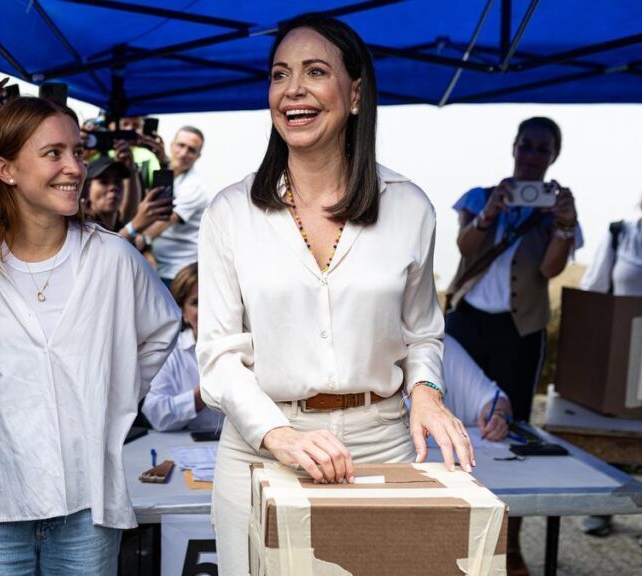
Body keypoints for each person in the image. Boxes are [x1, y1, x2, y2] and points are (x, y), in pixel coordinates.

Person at [196, 14, 471, 575]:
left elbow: (422, 333)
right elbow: (218, 356)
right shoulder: (230, 211)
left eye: (315, 72)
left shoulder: (410, 206)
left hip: (382, 446)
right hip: (259, 450)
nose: (292, 90)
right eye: (279, 74)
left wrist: (426, 391)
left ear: (354, 94)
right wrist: (276, 434)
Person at [0, 96, 180, 575]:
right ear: (6, 168)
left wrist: (111, 392)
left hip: (87, 502)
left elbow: (162, 327)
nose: (75, 168)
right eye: (53, 153)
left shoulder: (112, 258)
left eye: (77, 152)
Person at [444, 117, 581, 575]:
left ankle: (511, 543)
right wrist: (491, 213)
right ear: (514, 147)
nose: (532, 155)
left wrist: (563, 225)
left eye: (542, 149)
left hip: (520, 331)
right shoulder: (481, 197)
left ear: (553, 156)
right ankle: (455, 533)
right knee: (458, 421)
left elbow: (549, 271)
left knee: (512, 427)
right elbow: (465, 248)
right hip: (468, 323)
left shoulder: (556, 207)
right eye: (526, 145)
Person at [577, 179, 642, 547]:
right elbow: (594, 291)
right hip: (625, 351)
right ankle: (604, 506)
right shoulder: (621, 233)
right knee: (615, 434)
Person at [143, 262, 224, 433]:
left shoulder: (249, 347)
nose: (206, 311)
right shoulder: (170, 352)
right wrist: (202, 396)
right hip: (190, 448)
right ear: (182, 312)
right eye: (196, 303)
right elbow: (156, 415)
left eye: (213, 301)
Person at [146, 127, 212, 284]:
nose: (183, 154)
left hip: (177, 272)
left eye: (191, 150)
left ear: (198, 156)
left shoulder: (194, 187)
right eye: (181, 145)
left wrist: (132, 240)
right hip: (156, 266)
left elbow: (159, 225)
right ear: (171, 145)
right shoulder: (162, 171)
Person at [80, 156, 172, 243]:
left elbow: (130, 210)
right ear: (88, 188)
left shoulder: (117, 221)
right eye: (104, 182)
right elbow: (103, 253)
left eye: (117, 182)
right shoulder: (83, 223)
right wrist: (134, 227)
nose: (113, 187)